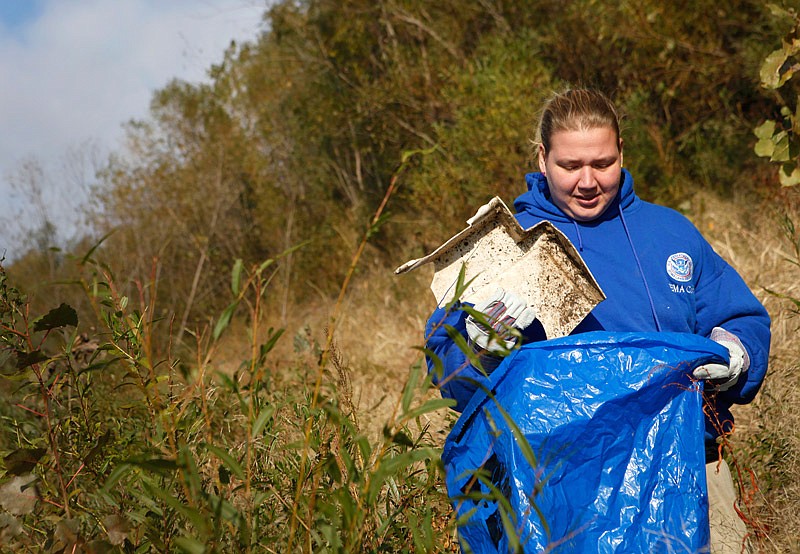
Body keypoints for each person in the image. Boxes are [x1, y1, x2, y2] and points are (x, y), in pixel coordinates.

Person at [425, 88, 771, 553]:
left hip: (687, 470)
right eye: (570, 166)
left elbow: (740, 315)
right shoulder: (503, 246)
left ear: (622, 152)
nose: (588, 181)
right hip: (555, 491)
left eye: (603, 163)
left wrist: (736, 354)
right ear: (542, 157)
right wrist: (477, 339)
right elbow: (446, 367)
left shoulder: (670, 233)